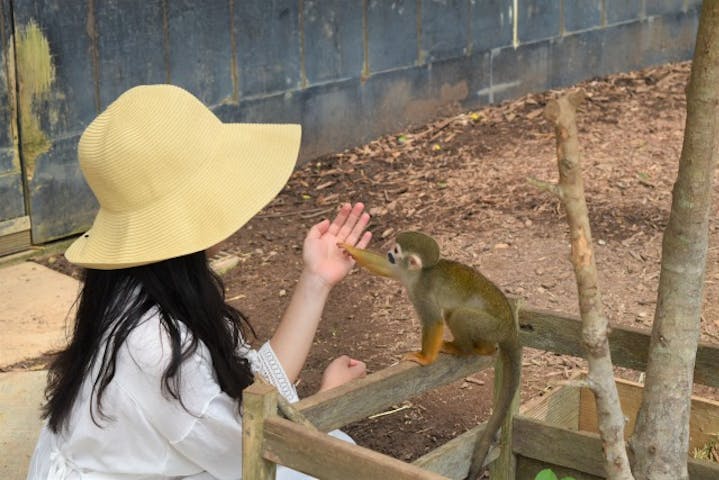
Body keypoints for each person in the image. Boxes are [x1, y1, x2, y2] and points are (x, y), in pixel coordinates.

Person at [26, 84, 371, 480]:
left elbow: (249, 392)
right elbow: (255, 451)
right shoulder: (158, 349)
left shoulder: (132, 287)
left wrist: (316, 280)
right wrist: (330, 401)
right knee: (340, 463)